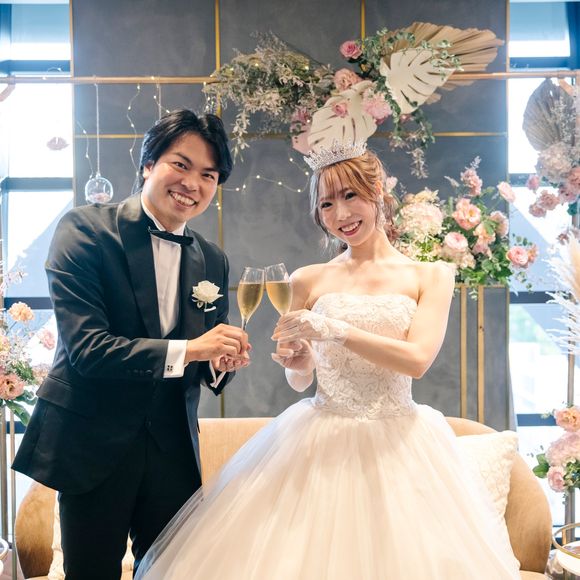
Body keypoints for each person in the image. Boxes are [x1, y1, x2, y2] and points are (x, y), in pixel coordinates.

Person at [134, 146, 520, 579]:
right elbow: (299, 379)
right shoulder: (307, 278)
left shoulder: (429, 275)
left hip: (400, 441)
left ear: (378, 192)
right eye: (327, 204)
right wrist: (298, 359)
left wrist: (334, 329)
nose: (341, 214)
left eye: (350, 196)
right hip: (319, 436)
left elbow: (416, 361)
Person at [12, 109, 250, 579]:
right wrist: (194, 350)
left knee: (172, 573)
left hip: (172, 452)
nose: (192, 184)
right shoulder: (84, 230)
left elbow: (207, 357)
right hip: (93, 443)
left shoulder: (212, 259)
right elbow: (88, 349)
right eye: (180, 164)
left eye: (208, 175)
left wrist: (221, 361)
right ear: (148, 164)